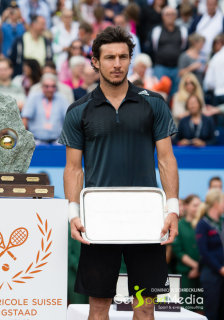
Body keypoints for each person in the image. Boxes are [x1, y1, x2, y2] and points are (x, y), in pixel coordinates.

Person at [59, 26, 179, 320]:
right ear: (95, 61)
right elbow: (73, 169)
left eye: (123, 57)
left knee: (145, 305)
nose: (117, 64)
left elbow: (166, 159)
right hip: (99, 223)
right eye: (110, 57)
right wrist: (73, 212)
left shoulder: (154, 103)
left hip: (146, 221)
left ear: (130, 60)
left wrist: (173, 209)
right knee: (99, 308)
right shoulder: (79, 110)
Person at [195, 188, 224, 320]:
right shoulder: (203, 224)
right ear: (216, 203)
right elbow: (204, 251)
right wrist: (220, 268)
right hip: (211, 274)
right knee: (212, 312)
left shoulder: (222, 222)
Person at [172, 194, 202, 310]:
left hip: (202, 274)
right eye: (195, 205)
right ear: (186, 206)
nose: (198, 208)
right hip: (186, 275)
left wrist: (200, 268)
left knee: (201, 309)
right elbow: (178, 251)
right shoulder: (179, 226)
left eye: (199, 205)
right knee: (186, 308)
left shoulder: (202, 225)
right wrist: (196, 266)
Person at [22, 73, 68, 145]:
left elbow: (69, 120)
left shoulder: (62, 98)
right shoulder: (34, 98)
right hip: (36, 141)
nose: (50, 89)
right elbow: (25, 119)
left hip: (57, 141)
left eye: (53, 86)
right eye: (47, 86)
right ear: (42, 87)